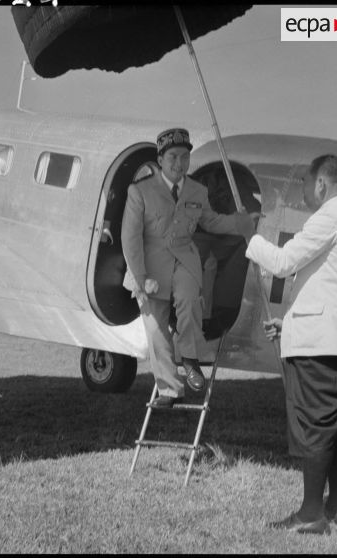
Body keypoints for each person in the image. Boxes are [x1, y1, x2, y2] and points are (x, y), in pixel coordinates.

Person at [246, 154, 337, 535]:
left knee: (316, 428)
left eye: (305, 182)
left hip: (325, 348)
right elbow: (333, 288)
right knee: (332, 428)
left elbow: (283, 262)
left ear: (321, 184)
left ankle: (312, 514)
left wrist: (248, 237)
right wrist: (292, 324)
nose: (302, 190)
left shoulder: (329, 216)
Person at [121, 127, 257, 407]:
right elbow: (130, 238)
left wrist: (239, 223)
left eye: (184, 157)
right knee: (156, 327)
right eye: (172, 157)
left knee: (189, 302)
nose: (178, 163)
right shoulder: (140, 191)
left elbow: (211, 221)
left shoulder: (197, 190)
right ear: (160, 159)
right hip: (148, 265)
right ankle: (170, 390)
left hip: (185, 259)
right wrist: (140, 277)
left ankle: (191, 360)